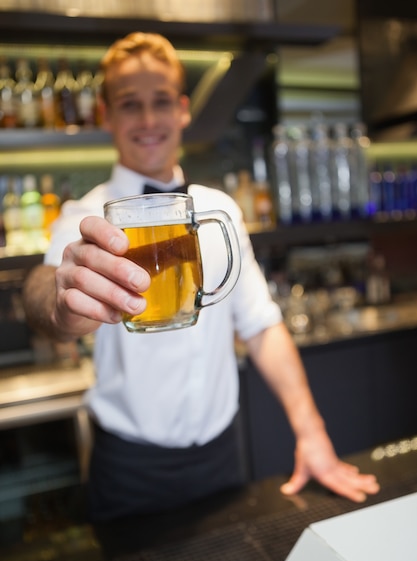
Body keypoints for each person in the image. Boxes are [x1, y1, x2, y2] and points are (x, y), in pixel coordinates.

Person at [22, 32, 379, 522]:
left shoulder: (218, 209)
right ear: (106, 114)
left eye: (161, 102)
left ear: (184, 110)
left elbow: (261, 325)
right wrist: (61, 305)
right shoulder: (82, 217)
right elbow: (41, 292)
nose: (148, 120)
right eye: (130, 104)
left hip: (222, 457)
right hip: (129, 467)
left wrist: (311, 431)